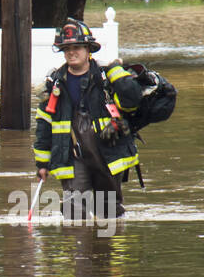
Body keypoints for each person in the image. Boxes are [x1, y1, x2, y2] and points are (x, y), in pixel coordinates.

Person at [33, 17, 142, 220]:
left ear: (88, 49)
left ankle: (106, 249)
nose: (72, 52)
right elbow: (43, 125)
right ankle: (78, 250)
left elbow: (132, 101)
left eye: (77, 47)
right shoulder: (55, 84)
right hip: (72, 156)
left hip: (107, 153)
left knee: (109, 214)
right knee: (74, 213)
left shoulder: (106, 78)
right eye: (67, 48)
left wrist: (117, 73)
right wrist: (42, 163)